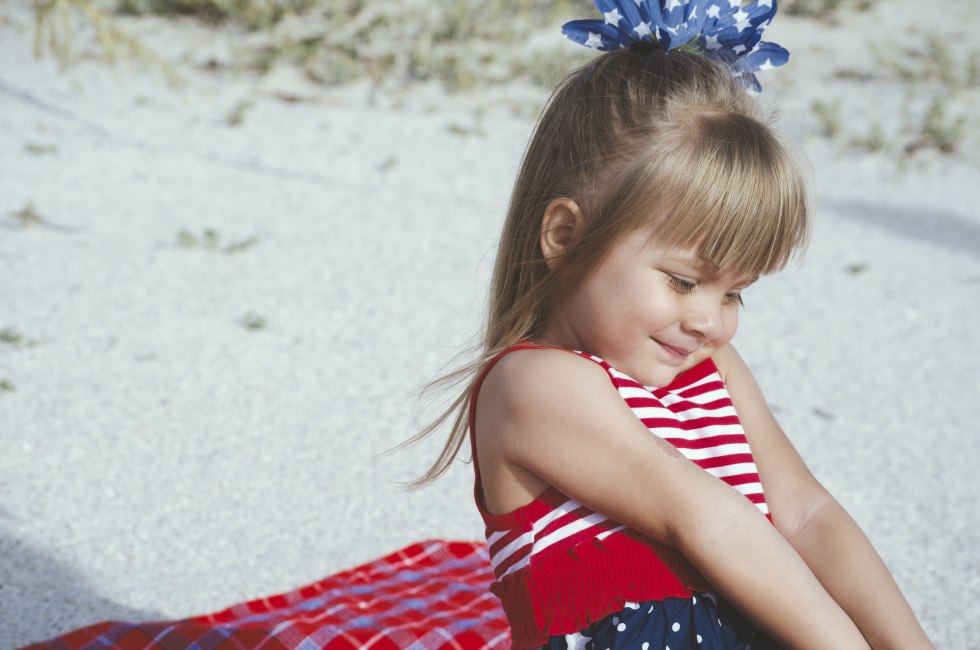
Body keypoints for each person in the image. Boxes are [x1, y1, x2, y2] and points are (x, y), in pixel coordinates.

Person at [405, 1, 935, 648]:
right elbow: (706, 519)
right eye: (683, 282)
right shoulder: (532, 384)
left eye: (737, 293)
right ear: (567, 235)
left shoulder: (709, 368)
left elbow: (806, 513)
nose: (710, 321)